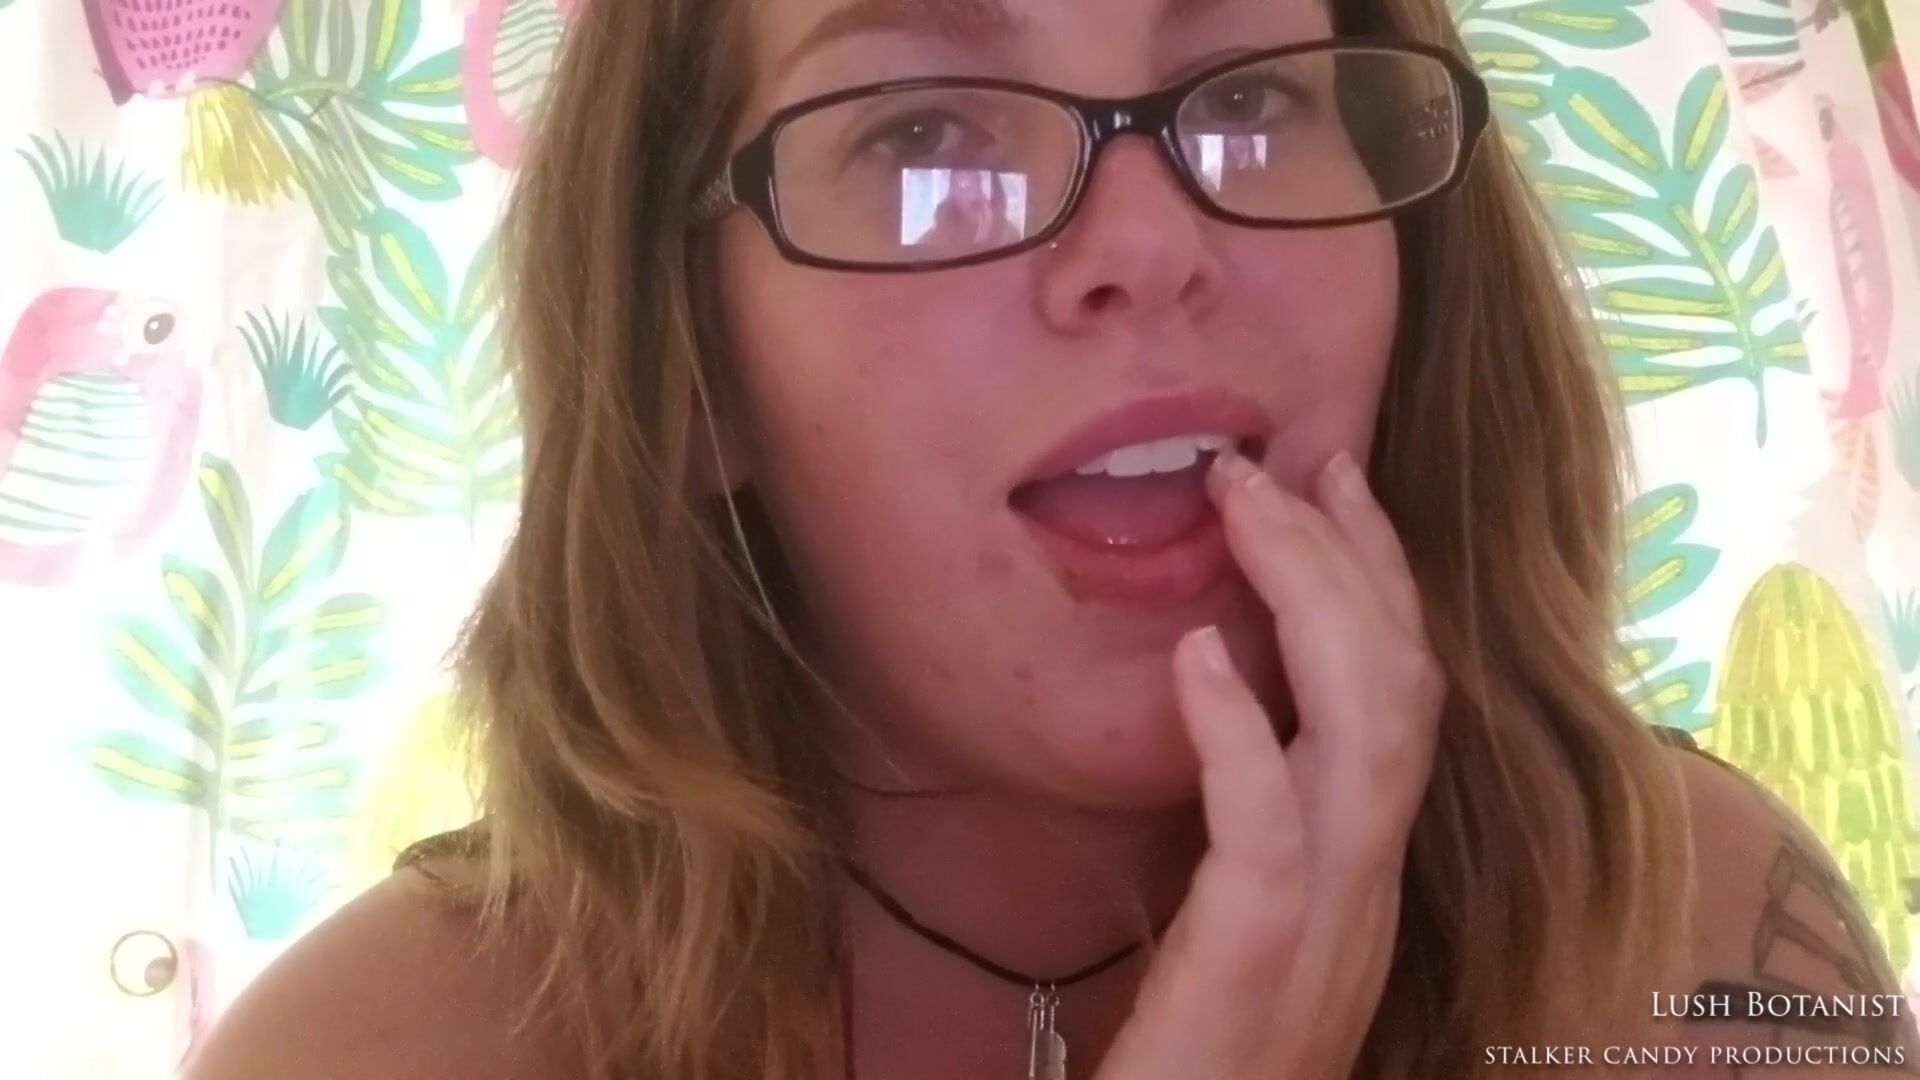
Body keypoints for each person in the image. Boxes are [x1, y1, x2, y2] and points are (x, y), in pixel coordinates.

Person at [182, 0, 1920, 1077]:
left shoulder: (1696, 931)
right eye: (921, 133)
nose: (1150, 246)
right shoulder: (378, 1050)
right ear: (692, 367)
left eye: (1250, 97)